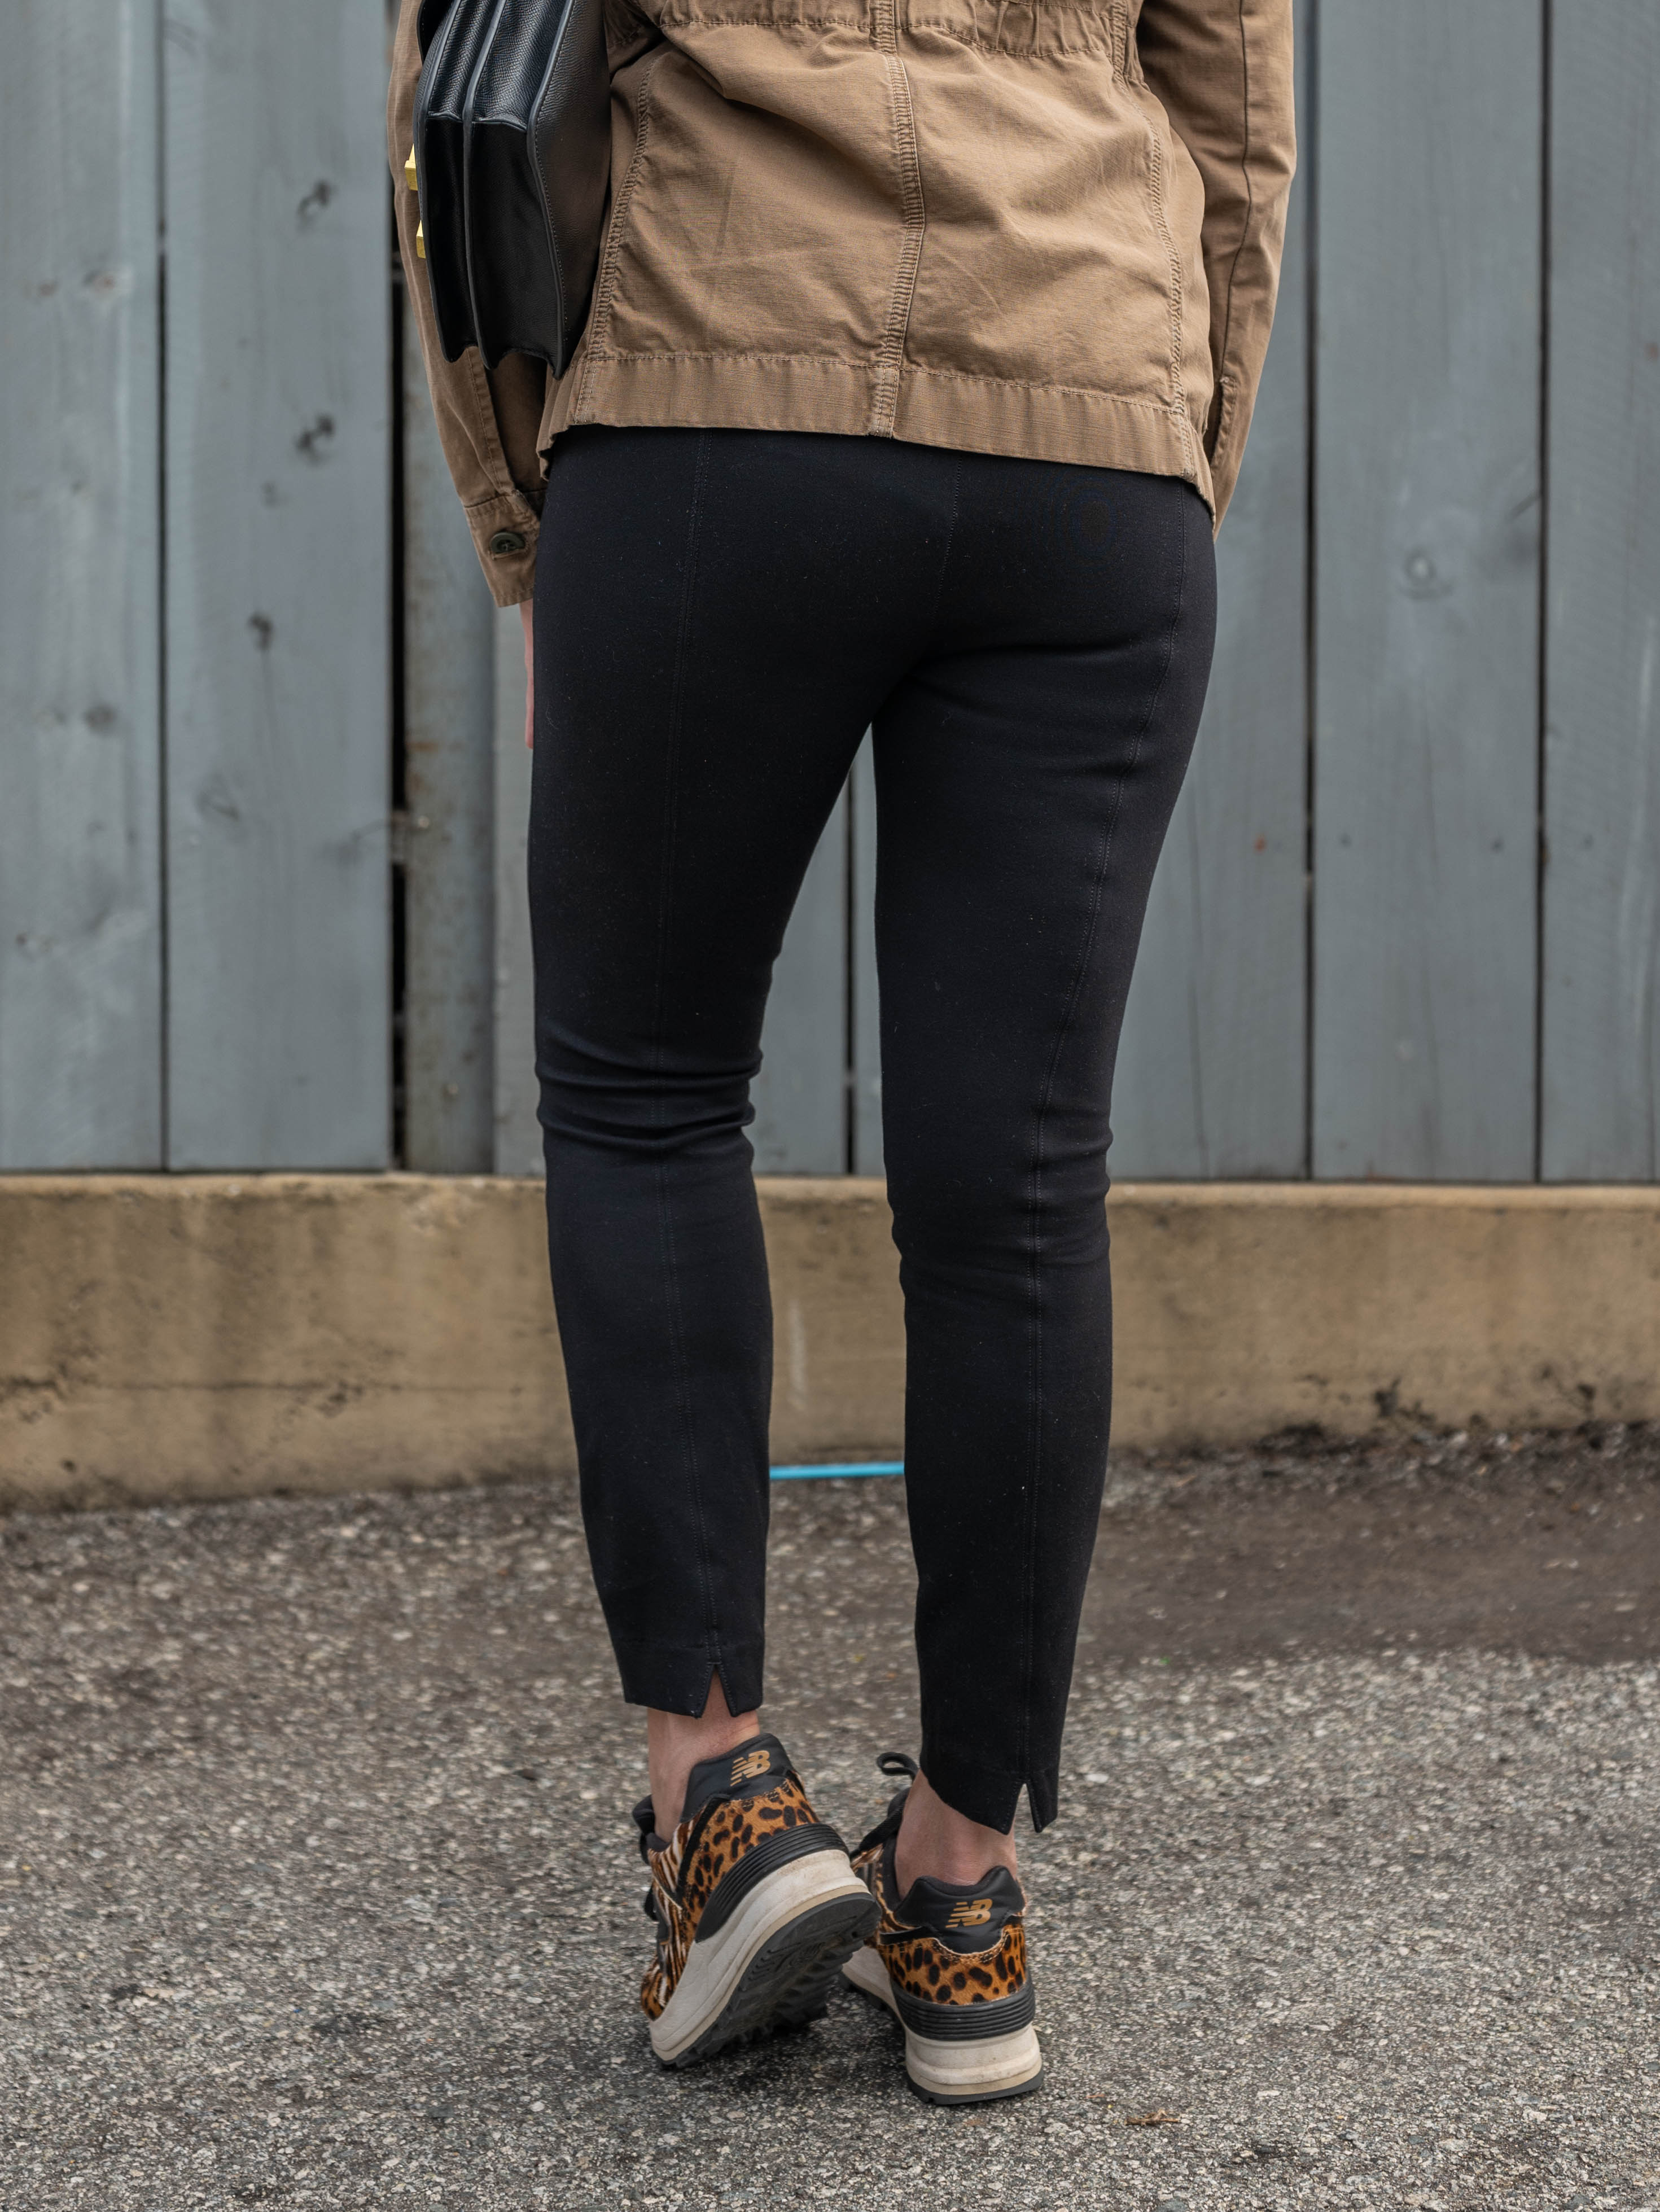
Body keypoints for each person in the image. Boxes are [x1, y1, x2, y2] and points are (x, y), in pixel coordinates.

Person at [390, 0, 1294, 2104]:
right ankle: (962, 1893)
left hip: (712, 403)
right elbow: (1233, 108)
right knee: (1019, 1186)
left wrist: (532, 519)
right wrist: (1174, 439)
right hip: (1090, 434)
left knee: (645, 1094)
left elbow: (476, 85)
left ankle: (721, 1806)